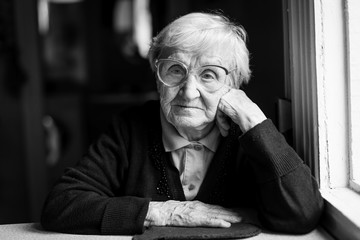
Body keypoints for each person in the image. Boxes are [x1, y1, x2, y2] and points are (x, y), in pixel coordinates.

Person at [40, 12, 324, 235]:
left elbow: (301, 213)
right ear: (156, 76)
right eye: (175, 70)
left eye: (209, 75)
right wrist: (163, 212)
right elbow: (62, 205)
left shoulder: (248, 135)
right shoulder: (130, 128)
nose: (189, 91)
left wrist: (253, 119)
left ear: (234, 85)